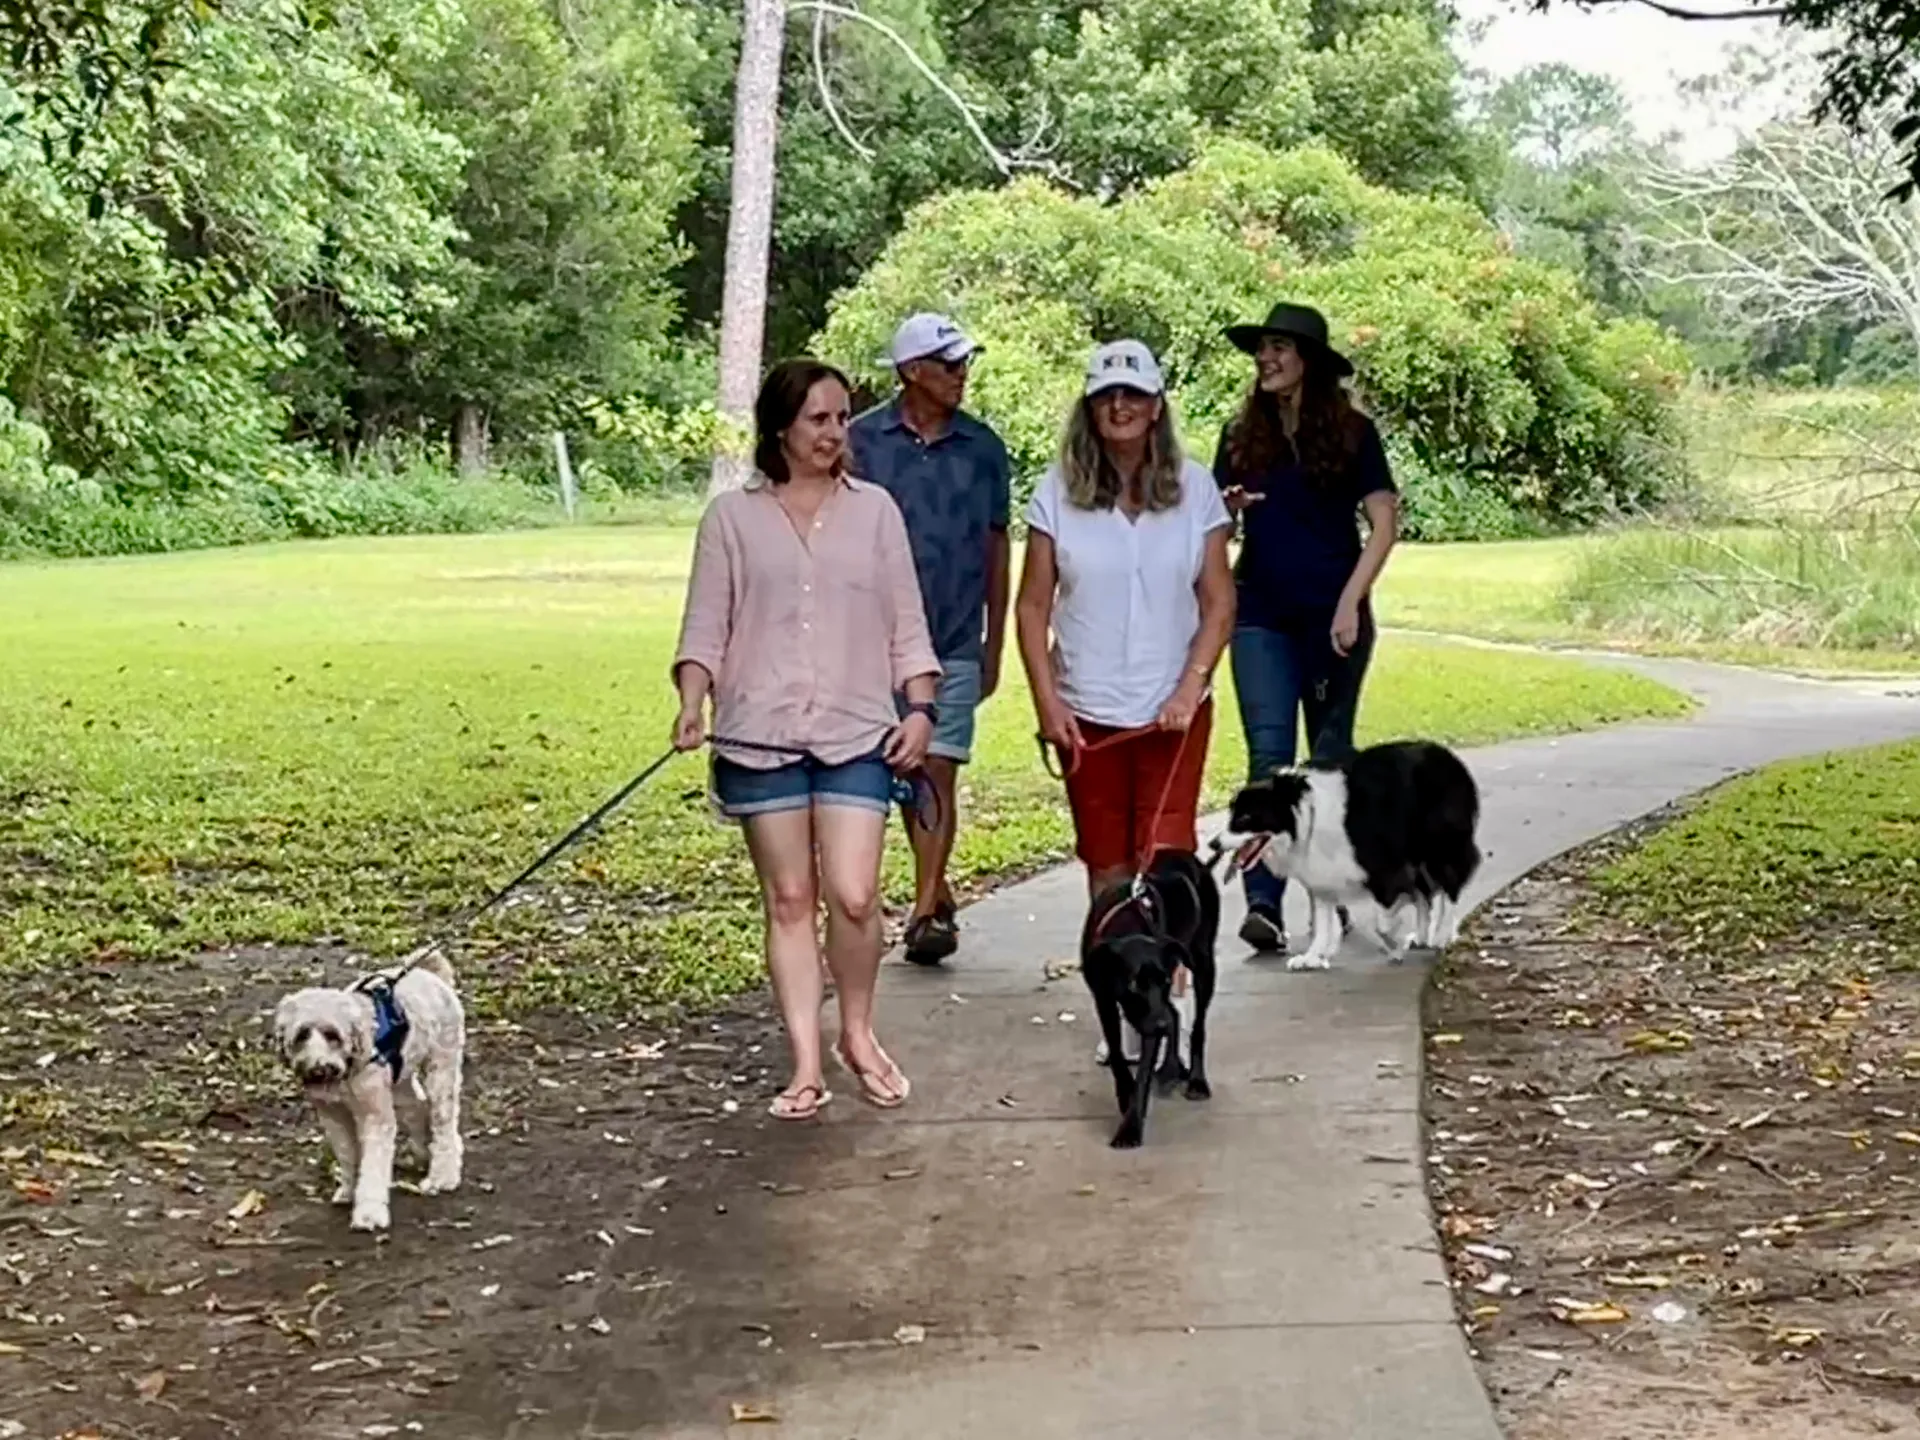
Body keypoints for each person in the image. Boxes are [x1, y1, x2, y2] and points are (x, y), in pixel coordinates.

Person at [671, 357, 942, 1121]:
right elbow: (704, 625)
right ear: (781, 428)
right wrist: (693, 702)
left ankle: (857, 1033)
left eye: (841, 417)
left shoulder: (876, 511)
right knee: (789, 898)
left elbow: (907, 623)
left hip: (859, 728)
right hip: (759, 733)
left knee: (853, 895)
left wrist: (920, 711)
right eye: (818, 419)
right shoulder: (731, 518)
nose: (834, 432)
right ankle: (804, 1062)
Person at [1015, 338, 1237, 905]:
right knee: (1107, 864)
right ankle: (1118, 985)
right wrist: (1048, 702)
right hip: (1086, 710)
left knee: (1166, 854)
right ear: (1089, 407)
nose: (1120, 406)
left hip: (1173, 711)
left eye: (1134, 394)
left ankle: (1166, 977)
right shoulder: (1055, 493)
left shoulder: (1196, 489)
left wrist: (1192, 686)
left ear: (1156, 405)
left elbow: (1218, 601)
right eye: (1106, 395)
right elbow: (1033, 605)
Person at [1213, 302, 1400, 953]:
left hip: (1334, 622)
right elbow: (1209, 529)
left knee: (1324, 767)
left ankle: (1328, 891)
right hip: (1260, 615)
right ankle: (1263, 902)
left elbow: (1385, 523)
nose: (1265, 358)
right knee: (1269, 757)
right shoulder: (1240, 436)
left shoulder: (1352, 433)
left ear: (1309, 362)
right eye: (1261, 348)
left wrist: (1351, 602)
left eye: (1278, 348)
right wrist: (1227, 511)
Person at [847, 313, 1012, 967]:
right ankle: (921, 888)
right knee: (874, 770)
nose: (960, 375)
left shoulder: (984, 447)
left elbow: (998, 546)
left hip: (951, 635)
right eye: (948, 364)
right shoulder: (861, 442)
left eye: (964, 363)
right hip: (867, 640)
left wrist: (994, 640)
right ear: (911, 371)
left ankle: (922, 911)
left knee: (938, 765)